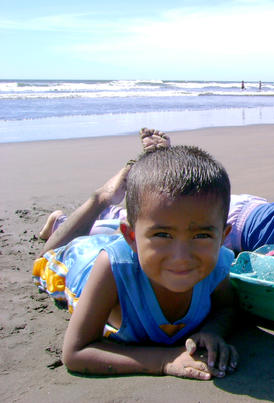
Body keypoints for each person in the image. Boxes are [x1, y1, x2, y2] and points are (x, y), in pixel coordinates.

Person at [42, 114, 274, 262]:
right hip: (238, 223)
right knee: (135, 224)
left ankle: (164, 163)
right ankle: (103, 198)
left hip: (264, 211)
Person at [33, 145, 238, 380]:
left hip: (126, 244)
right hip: (82, 264)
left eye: (201, 236)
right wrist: (165, 360)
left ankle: (73, 222)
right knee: (47, 259)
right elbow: (76, 352)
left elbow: (226, 308)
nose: (181, 256)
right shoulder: (112, 267)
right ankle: (95, 202)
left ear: (222, 237)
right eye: (163, 235)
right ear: (131, 237)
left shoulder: (218, 264)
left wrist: (211, 332)